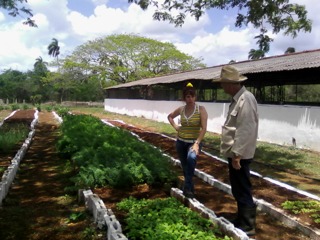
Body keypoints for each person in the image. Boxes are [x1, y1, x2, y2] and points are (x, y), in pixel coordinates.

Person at [212, 65, 259, 236]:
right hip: (235, 152)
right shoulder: (238, 99)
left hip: (240, 154)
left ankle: (248, 225)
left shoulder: (246, 99)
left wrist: (237, 155)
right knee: (238, 187)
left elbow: (245, 129)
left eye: (223, 84)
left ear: (231, 84)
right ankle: (242, 219)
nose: (222, 87)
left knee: (242, 187)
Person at [167, 82, 208, 198]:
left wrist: (197, 144)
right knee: (185, 167)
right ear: (184, 98)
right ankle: (190, 189)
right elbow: (170, 116)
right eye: (188, 97)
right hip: (180, 142)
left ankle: (187, 187)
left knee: (191, 159)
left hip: (193, 142)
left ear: (195, 97)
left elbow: (204, 129)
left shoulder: (201, 109)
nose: (190, 99)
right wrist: (175, 127)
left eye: (192, 96)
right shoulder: (181, 109)